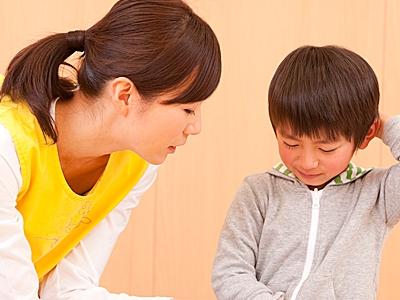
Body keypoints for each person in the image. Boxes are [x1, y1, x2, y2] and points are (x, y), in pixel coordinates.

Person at [0, 0, 221, 299]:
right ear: (124, 94)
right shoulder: (8, 142)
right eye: (187, 109)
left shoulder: (135, 165)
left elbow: (68, 288)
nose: (196, 127)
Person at [211, 45, 399, 299]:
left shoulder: (377, 195)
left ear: (364, 136)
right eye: (291, 144)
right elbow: (229, 272)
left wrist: (384, 125)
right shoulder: (258, 192)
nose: (307, 162)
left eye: (327, 148)